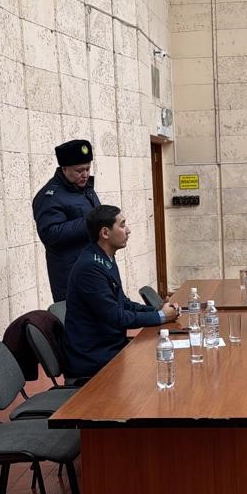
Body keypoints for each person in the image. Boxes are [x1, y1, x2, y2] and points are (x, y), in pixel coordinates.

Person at [64, 204, 180, 381]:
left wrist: (160, 310)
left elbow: (123, 302)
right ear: (105, 233)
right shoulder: (91, 268)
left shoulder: (104, 258)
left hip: (110, 347)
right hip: (94, 357)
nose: (128, 230)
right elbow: (116, 317)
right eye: (122, 225)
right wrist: (161, 316)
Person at [32, 139, 101, 302]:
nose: (85, 174)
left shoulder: (85, 189)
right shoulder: (50, 196)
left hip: (94, 267)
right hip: (71, 275)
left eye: (88, 168)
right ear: (64, 168)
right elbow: (50, 234)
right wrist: (91, 222)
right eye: (79, 170)